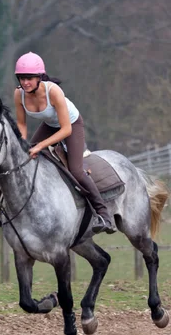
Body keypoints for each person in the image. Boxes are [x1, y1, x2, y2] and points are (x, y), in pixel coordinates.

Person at [13, 51, 116, 234]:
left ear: (39, 77)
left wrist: (40, 146)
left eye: (29, 78)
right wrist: (22, 144)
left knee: (76, 170)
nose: (25, 82)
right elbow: (21, 124)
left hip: (71, 125)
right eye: (21, 78)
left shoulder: (53, 91)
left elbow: (66, 129)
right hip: (50, 125)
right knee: (27, 158)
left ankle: (104, 214)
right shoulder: (18, 94)